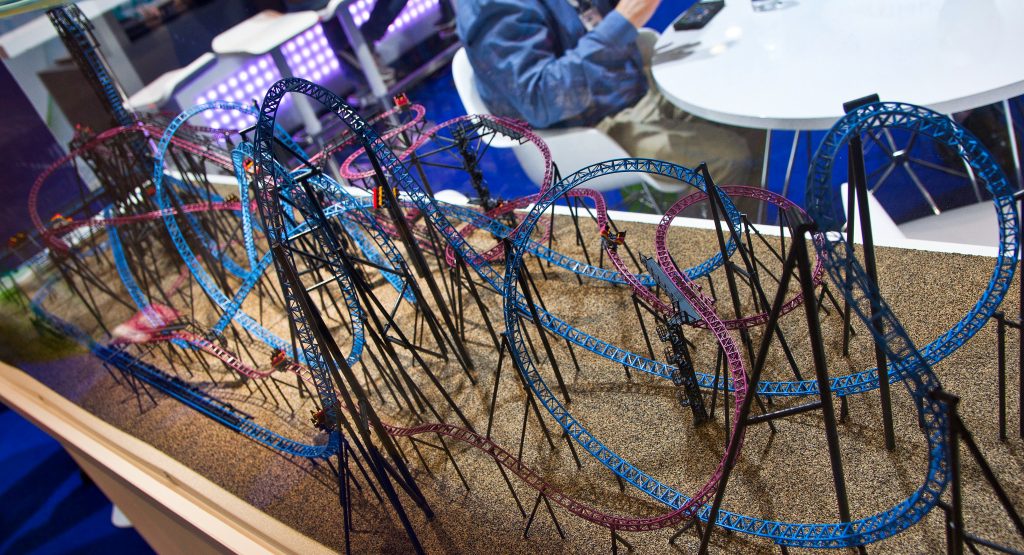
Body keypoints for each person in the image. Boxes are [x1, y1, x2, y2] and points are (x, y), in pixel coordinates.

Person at [456, 0, 762, 191]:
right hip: (583, 129)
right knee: (728, 156)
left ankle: (731, 231)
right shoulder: (493, 6)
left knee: (744, 114)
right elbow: (542, 99)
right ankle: (713, 258)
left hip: (625, 84)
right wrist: (623, 21)